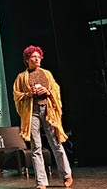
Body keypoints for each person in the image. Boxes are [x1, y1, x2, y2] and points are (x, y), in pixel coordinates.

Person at [13, 45, 73, 189]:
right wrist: (29, 94)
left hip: (48, 110)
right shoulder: (21, 77)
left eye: (38, 56)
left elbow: (55, 90)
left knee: (55, 143)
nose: (37, 59)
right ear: (27, 59)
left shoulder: (47, 74)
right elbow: (17, 95)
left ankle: (66, 174)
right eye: (33, 57)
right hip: (31, 111)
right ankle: (41, 181)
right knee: (36, 147)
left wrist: (47, 91)